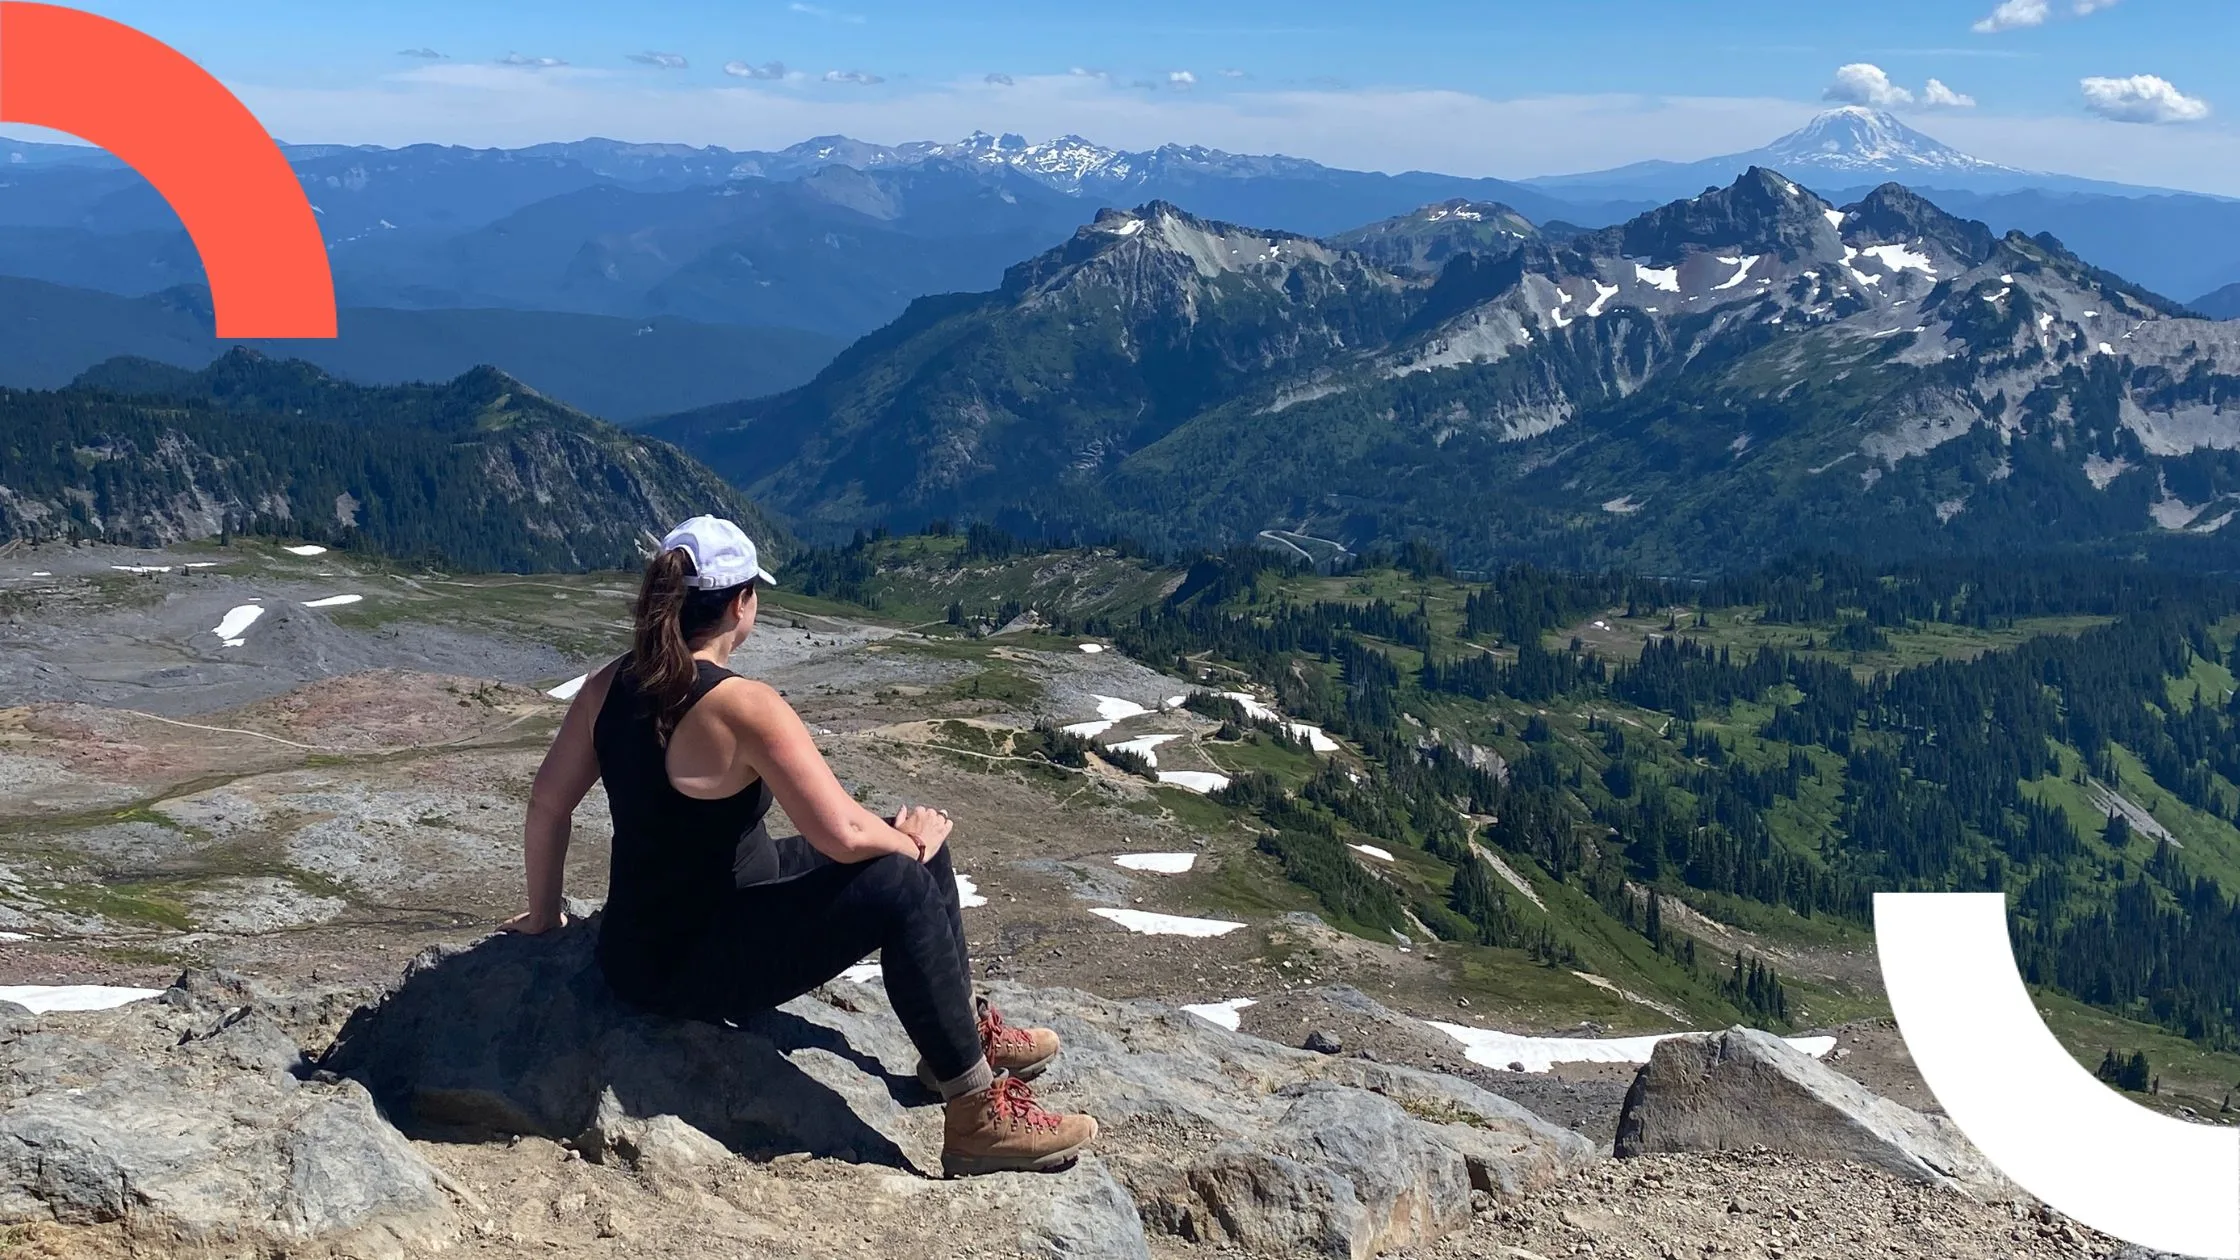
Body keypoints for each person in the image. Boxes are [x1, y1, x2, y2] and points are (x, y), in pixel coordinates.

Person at [502, 515, 1098, 1177]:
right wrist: (909, 840)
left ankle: (956, 1036)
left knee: (908, 848)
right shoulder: (743, 705)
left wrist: (543, 916)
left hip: (636, 952)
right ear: (740, 603)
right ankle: (976, 1114)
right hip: (695, 969)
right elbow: (840, 836)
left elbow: (548, 804)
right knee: (903, 872)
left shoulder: (610, 684)